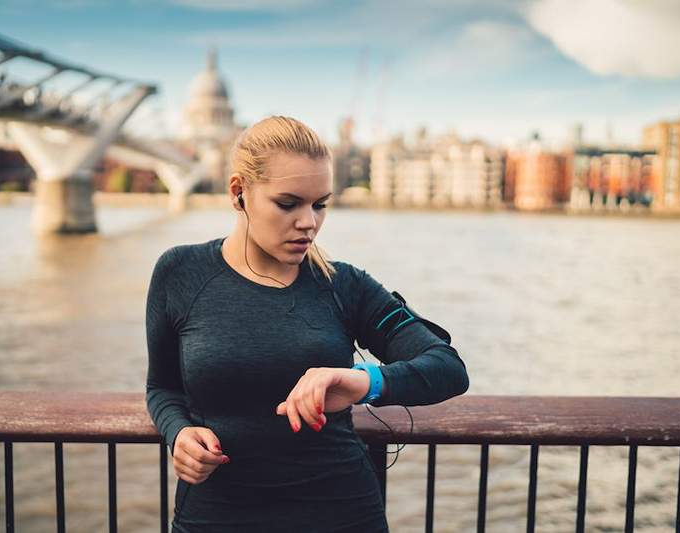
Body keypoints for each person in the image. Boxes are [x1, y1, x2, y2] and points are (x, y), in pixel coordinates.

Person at [145, 115, 469, 532]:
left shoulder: (344, 285)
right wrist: (180, 433)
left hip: (341, 514)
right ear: (239, 192)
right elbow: (162, 387)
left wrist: (362, 381)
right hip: (215, 515)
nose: (309, 222)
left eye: (320, 204)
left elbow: (447, 368)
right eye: (288, 203)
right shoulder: (180, 272)